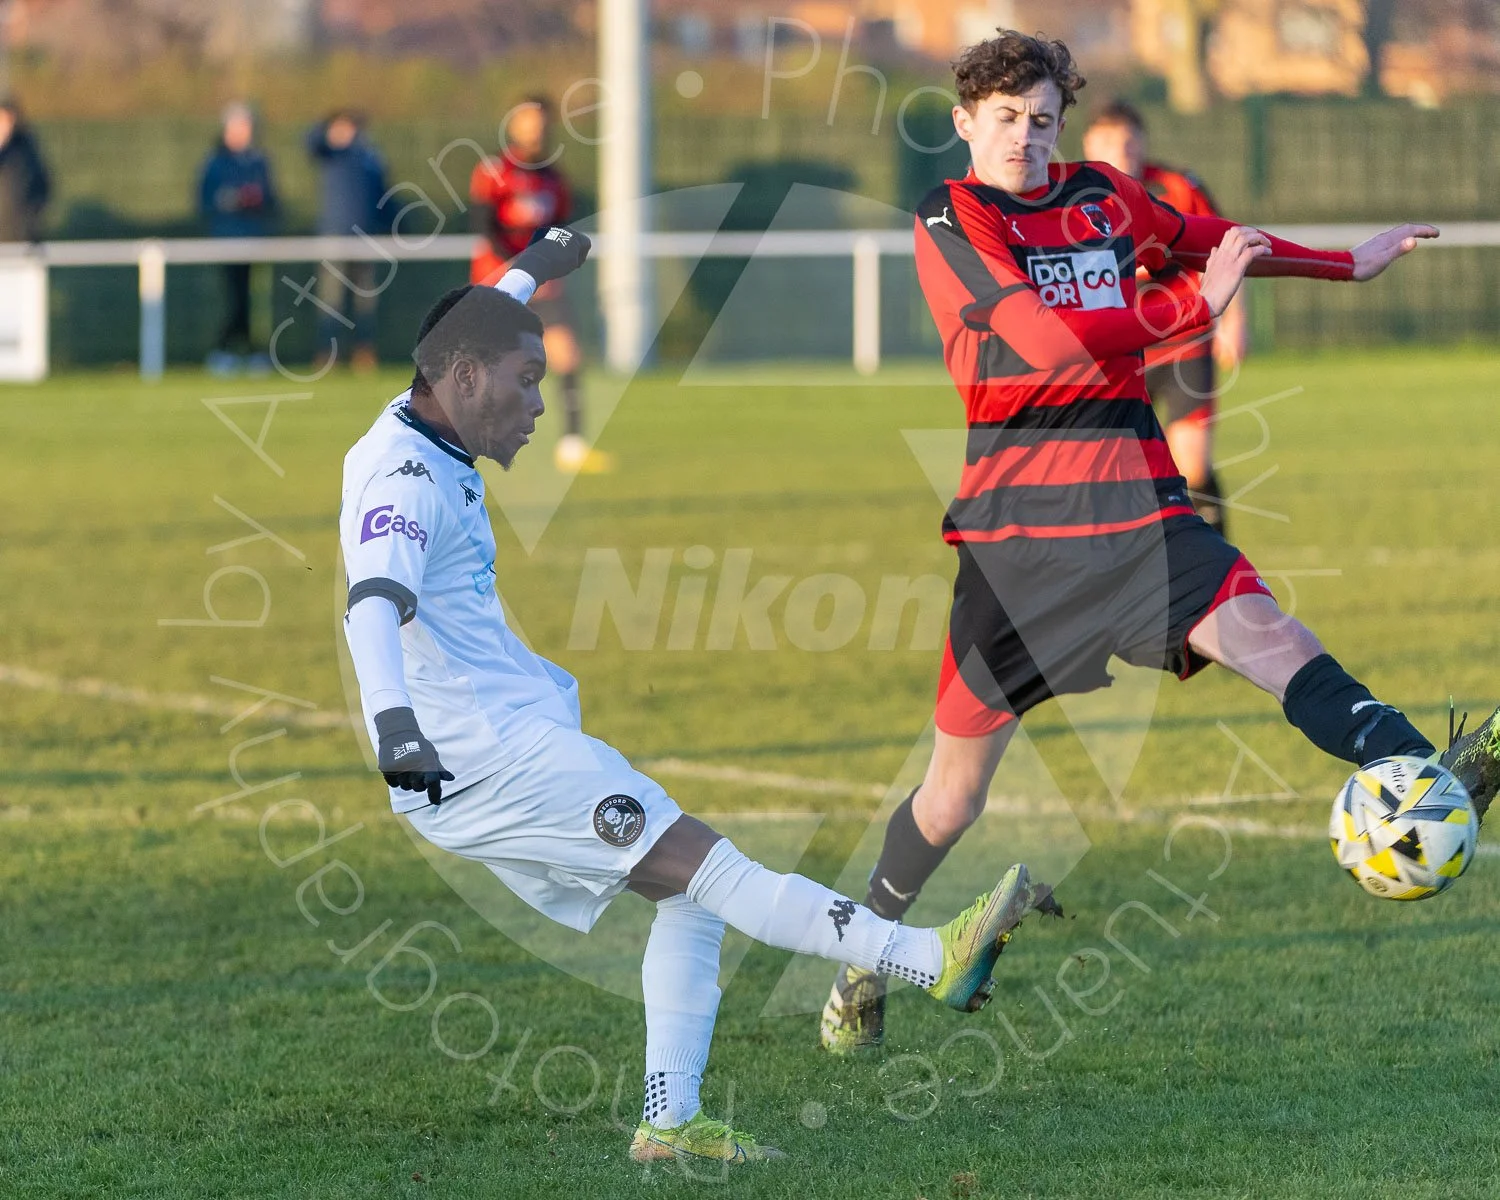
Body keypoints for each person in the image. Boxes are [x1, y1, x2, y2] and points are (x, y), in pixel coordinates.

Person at [818, 28, 1500, 1057]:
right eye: (1004, 118)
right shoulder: (951, 216)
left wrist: (1343, 265)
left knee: (1278, 641)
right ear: (964, 123)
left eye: (1042, 119)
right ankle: (861, 960)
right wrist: (1192, 305)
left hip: (1142, 513)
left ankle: (1427, 774)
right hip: (1021, 543)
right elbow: (1042, 344)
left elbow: (1217, 236)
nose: (1025, 138)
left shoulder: (1100, 196)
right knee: (953, 796)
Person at [338, 226, 1061, 1165]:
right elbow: (373, 605)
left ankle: (668, 1125)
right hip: (480, 757)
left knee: (686, 898)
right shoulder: (400, 479)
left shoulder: (428, 405)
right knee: (716, 870)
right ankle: (930, 960)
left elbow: (472, 326)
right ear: (466, 377)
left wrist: (534, 268)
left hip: (498, 743)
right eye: (526, 382)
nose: (538, 405)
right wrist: (394, 724)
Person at [1083, 98, 1244, 534]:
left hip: (1184, 343)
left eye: (1131, 141)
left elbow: (1227, 247)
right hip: (1118, 353)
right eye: (1111, 142)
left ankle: (1220, 564)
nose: (1123, 151)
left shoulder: (1177, 187)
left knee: (1191, 466)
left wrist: (1233, 321)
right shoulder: (1073, 199)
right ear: (1089, 143)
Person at [469, 97, 609, 474]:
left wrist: (548, 268)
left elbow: (559, 231)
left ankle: (572, 445)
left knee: (568, 355)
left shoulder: (553, 178)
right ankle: (463, 443)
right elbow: (484, 227)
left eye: (542, 122)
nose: (536, 129)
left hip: (543, 287)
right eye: (528, 121)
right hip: (500, 283)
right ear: (513, 125)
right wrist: (520, 267)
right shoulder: (494, 170)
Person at [196, 102, 278, 375]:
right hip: (227, 240)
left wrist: (255, 199)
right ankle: (229, 351)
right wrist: (228, 200)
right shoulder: (215, 162)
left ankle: (247, 352)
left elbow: (270, 197)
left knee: (254, 301)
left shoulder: (259, 161)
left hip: (254, 240)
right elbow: (205, 200)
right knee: (235, 298)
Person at [307, 110, 390, 372]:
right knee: (331, 300)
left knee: (366, 299)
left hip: (366, 239)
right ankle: (327, 354)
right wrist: (327, 131)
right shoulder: (330, 154)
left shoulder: (370, 159)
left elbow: (384, 198)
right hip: (334, 237)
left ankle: (364, 354)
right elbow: (310, 142)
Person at [0, 96, 51, 243]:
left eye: (7, 120)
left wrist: (30, 220)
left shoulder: (25, 150)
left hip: (22, 240)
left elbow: (42, 185)